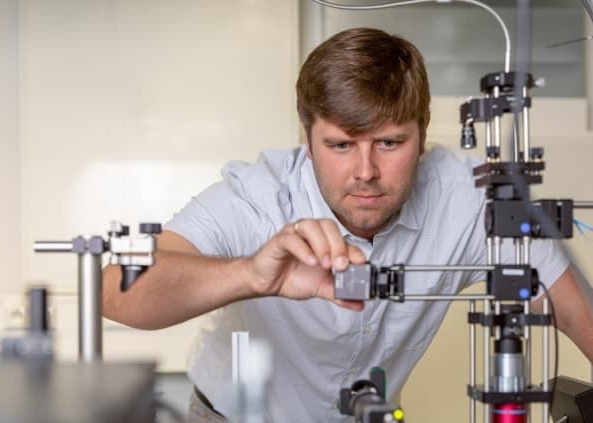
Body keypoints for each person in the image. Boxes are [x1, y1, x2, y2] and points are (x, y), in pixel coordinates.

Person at [103, 27, 593, 422]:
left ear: (423, 131)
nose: (365, 172)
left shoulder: (469, 196)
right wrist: (250, 275)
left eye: (389, 143)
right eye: (340, 145)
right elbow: (116, 288)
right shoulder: (258, 195)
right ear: (307, 137)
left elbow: (576, 311)